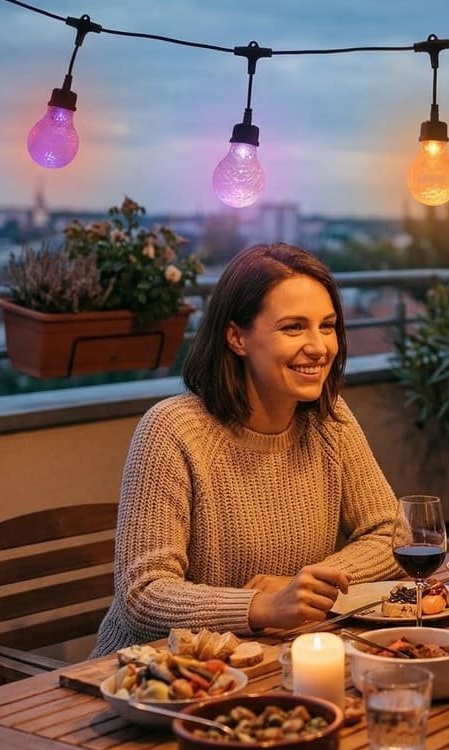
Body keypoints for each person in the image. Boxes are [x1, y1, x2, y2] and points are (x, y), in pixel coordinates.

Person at [93, 242, 401, 657]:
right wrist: (260, 606)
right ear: (237, 337)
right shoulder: (173, 429)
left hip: (274, 660)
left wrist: (309, 587)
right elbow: (143, 594)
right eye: (293, 327)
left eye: (326, 326)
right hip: (155, 678)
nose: (319, 346)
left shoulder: (330, 419)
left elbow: (392, 533)